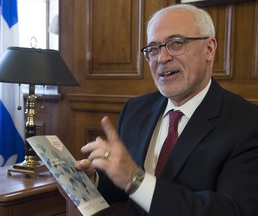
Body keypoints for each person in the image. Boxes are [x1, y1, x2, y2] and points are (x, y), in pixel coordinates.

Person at [62, 4, 258, 215]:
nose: (162, 58)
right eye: (153, 49)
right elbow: (123, 185)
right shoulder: (136, 109)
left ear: (209, 49)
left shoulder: (247, 123)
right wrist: (94, 179)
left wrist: (135, 180)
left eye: (176, 44)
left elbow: (232, 211)